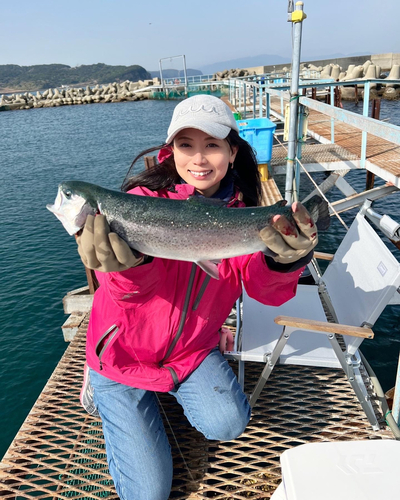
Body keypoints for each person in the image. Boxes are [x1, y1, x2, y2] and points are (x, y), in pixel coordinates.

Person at [76, 95, 318, 500]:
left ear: (232, 151)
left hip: (191, 351)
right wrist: (128, 268)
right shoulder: (138, 206)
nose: (200, 158)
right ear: (170, 152)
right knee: (147, 494)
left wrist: (282, 263)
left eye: (212, 144)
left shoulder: (243, 216)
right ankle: (98, 384)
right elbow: (126, 299)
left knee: (227, 424)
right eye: (187, 145)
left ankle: (164, 389)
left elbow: (260, 289)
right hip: (122, 355)